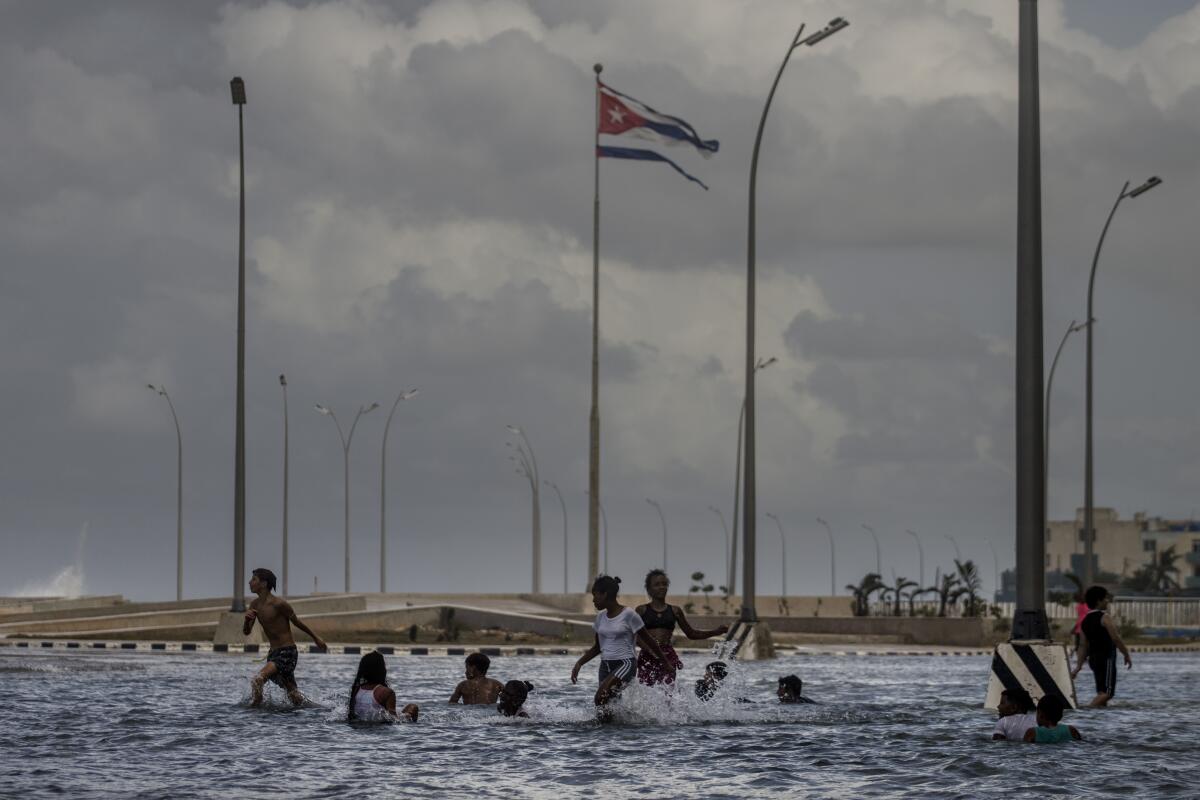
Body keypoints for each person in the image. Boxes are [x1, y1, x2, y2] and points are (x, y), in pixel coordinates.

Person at [570, 575, 677, 705]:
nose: (593, 600)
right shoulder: (600, 618)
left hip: (625, 664)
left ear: (605, 594)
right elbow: (597, 647)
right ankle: (624, 723)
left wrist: (665, 663)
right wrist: (579, 663)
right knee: (605, 708)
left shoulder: (629, 615)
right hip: (605, 666)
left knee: (600, 698)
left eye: (595, 595)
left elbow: (649, 641)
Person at [242, 567, 327, 706]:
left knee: (257, 680)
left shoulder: (279, 604)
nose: (250, 582)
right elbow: (247, 632)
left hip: (287, 652)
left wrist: (316, 638)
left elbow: (297, 622)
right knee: (294, 697)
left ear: (263, 584)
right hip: (273, 653)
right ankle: (317, 709)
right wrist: (247, 620)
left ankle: (255, 709)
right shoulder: (254, 605)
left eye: (254, 579)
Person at [635, 569, 729, 685]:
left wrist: (716, 632)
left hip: (667, 655)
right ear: (649, 589)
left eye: (664, 584)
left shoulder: (675, 611)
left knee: (667, 692)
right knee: (646, 690)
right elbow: (633, 636)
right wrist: (649, 649)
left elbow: (691, 634)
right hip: (647, 655)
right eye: (657, 584)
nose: (661, 587)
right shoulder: (641, 610)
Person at [1070, 585, 1132, 707]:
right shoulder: (1105, 617)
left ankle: (1098, 717)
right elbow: (1116, 638)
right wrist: (1126, 655)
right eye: (1105, 599)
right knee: (1108, 693)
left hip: (1093, 660)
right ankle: (1087, 710)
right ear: (1099, 601)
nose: (1107, 601)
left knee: (1101, 693)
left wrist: (1078, 667)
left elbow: (1083, 645)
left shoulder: (1085, 620)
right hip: (1106, 658)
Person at [347, 651, 419, 722]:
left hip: (360, 725)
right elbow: (393, 719)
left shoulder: (356, 690)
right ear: (382, 670)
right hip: (380, 727)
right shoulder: (387, 692)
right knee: (413, 707)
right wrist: (407, 716)